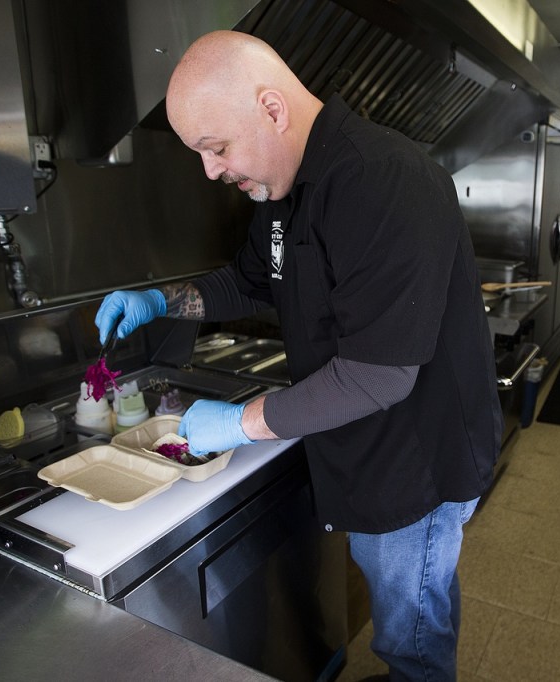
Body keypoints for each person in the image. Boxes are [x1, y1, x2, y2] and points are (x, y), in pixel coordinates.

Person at [94, 30, 502, 681]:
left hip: (416, 460)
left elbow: (380, 374)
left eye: (216, 147)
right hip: (363, 445)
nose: (212, 171)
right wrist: (161, 300)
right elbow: (248, 281)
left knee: (411, 630)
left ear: (272, 109)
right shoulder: (281, 191)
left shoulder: (384, 180)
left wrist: (240, 422)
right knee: (409, 605)